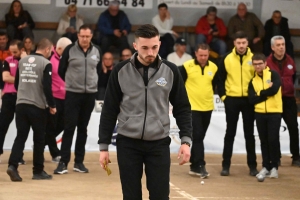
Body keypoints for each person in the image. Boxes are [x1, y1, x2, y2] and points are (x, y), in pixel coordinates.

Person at [98, 24, 192, 200]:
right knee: (131, 196)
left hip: (158, 144)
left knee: (160, 195)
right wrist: (104, 146)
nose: (151, 52)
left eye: (154, 47)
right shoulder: (120, 71)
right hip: (127, 144)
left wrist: (186, 140)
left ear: (160, 44)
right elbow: (109, 110)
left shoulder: (171, 71)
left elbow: (183, 107)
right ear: (135, 46)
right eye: (145, 48)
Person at [54, 25, 102, 174]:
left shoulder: (97, 50)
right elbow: (61, 70)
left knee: (83, 129)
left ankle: (79, 162)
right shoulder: (69, 50)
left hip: (90, 94)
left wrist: (91, 83)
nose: (85, 39)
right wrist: (72, 82)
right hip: (73, 94)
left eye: (87, 36)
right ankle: (63, 162)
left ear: (91, 36)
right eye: (82, 36)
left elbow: (98, 70)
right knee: (69, 128)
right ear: (78, 36)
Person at [6, 38, 56, 182]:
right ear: (47, 49)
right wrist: (52, 105)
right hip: (37, 106)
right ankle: (38, 171)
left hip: (20, 105)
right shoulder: (46, 63)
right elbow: (47, 87)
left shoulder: (22, 61)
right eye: (50, 51)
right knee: (39, 138)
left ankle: (12, 166)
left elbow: (16, 83)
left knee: (20, 136)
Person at [218, 31, 258, 176]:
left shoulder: (254, 58)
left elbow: (258, 78)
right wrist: (224, 97)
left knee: (250, 134)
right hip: (232, 100)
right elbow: (220, 79)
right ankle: (225, 166)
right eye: (238, 43)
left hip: (249, 101)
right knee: (230, 133)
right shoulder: (226, 58)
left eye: (244, 43)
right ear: (234, 43)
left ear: (248, 43)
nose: (241, 46)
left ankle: (252, 166)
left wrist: (254, 97)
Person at [178, 44, 218, 178]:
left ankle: (194, 166)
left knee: (199, 137)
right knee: (198, 136)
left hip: (207, 107)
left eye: (205, 55)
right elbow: (179, 84)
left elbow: (214, 85)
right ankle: (200, 165)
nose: (203, 58)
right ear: (195, 53)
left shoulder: (213, 67)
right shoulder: (187, 66)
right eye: (200, 55)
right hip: (192, 107)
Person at [266, 35, 300, 167]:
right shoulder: (267, 62)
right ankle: (276, 157)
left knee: (293, 127)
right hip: (274, 99)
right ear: (272, 47)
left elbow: (293, 78)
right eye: (278, 45)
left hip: (288, 99)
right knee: (274, 130)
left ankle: (296, 156)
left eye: (283, 45)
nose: (281, 47)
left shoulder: (291, 60)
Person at [248, 53, 282, 179]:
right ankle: (266, 166)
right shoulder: (252, 80)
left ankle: (274, 167)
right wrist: (265, 93)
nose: (258, 66)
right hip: (260, 113)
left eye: (260, 63)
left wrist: (260, 94)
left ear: (265, 63)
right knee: (263, 140)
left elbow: (275, 90)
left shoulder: (273, 74)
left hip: (274, 112)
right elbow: (251, 99)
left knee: (273, 139)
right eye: (255, 64)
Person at [45, 37, 72, 163]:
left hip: (67, 98)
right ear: (59, 48)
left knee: (63, 125)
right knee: (51, 126)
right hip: (54, 98)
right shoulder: (49, 59)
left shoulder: (68, 58)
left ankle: (43, 141)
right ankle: (55, 153)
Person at [0, 40, 24, 163]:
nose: (13, 54)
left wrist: (13, 79)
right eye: (11, 51)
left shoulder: (28, 61)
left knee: (22, 127)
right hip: (9, 96)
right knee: (2, 125)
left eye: (15, 52)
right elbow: (5, 77)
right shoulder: (8, 60)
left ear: (22, 50)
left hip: (23, 97)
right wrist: (22, 79)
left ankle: (18, 156)